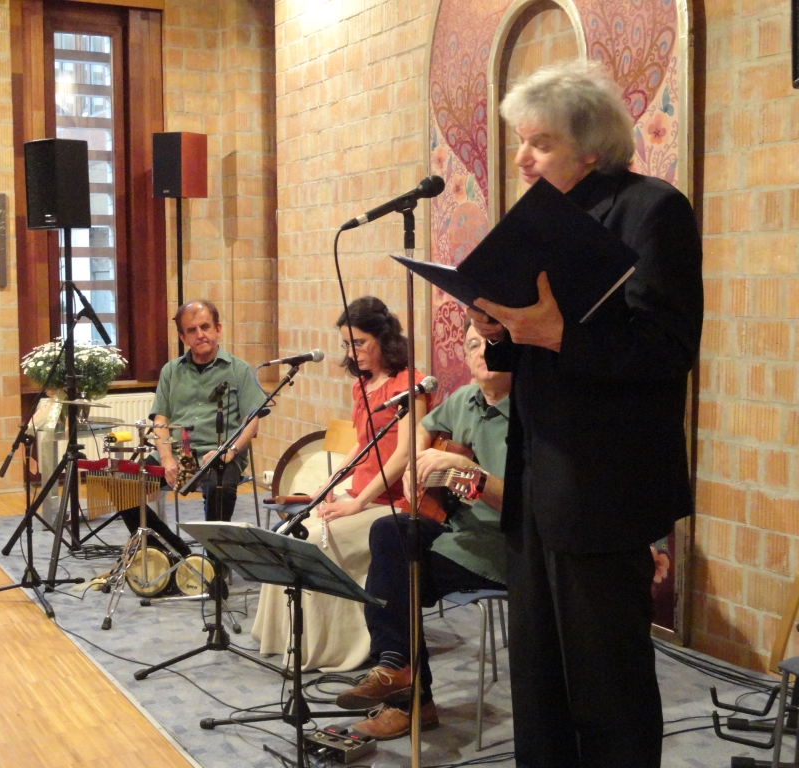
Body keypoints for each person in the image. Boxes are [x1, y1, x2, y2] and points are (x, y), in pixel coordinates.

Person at [468, 61, 702, 768]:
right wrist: (499, 333)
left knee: (608, 687)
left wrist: (557, 335)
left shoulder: (651, 210)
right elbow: (530, 354)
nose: (521, 157)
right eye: (520, 140)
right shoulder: (543, 223)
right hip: (538, 483)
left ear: (592, 147)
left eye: (539, 142)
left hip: (605, 489)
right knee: (537, 681)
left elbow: (666, 349)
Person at [335, 322, 510, 740]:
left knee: (397, 579)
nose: (481, 351)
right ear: (464, 357)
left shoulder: (532, 411)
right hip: (458, 532)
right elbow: (421, 427)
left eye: (491, 342)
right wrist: (418, 457)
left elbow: (527, 503)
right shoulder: (465, 399)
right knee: (390, 531)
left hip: (505, 544)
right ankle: (399, 671)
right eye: (472, 344)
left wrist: (468, 471)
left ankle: (408, 698)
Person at [251, 296, 430, 671]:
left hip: (391, 506)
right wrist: (328, 483)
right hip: (361, 494)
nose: (351, 353)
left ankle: (327, 648)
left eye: (359, 343)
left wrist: (357, 503)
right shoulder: (362, 386)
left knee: (313, 542)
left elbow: (403, 455)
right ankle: (284, 639)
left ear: (384, 338)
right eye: (347, 344)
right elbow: (362, 446)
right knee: (287, 533)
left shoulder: (410, 385)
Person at [117, 300, 265, 554]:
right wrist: (166, 457)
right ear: (183, 337)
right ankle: (175, 553)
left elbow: (252, 420)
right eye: (192, 330)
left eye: (205, 327)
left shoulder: (239, 370)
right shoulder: (171, 371)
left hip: (221, 455)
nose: (200, 334)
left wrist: (231, 450)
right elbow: (160, 420)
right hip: (177, 453)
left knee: (219, 486)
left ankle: (215, 561)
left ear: (218, 329)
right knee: (123, 484)